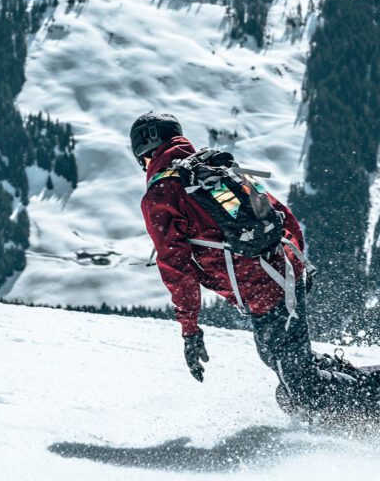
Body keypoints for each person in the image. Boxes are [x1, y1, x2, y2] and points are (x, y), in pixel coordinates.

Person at [130, 112, 354, 415]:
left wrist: (190, 330)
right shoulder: (217, 169)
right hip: (284, 270)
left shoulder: (162, 195)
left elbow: (176, 271)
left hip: (262, 288)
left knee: (298, 385)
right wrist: (300, 264)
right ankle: (346, 394)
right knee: (284, 363)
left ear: (146, 151)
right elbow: (281, 213)